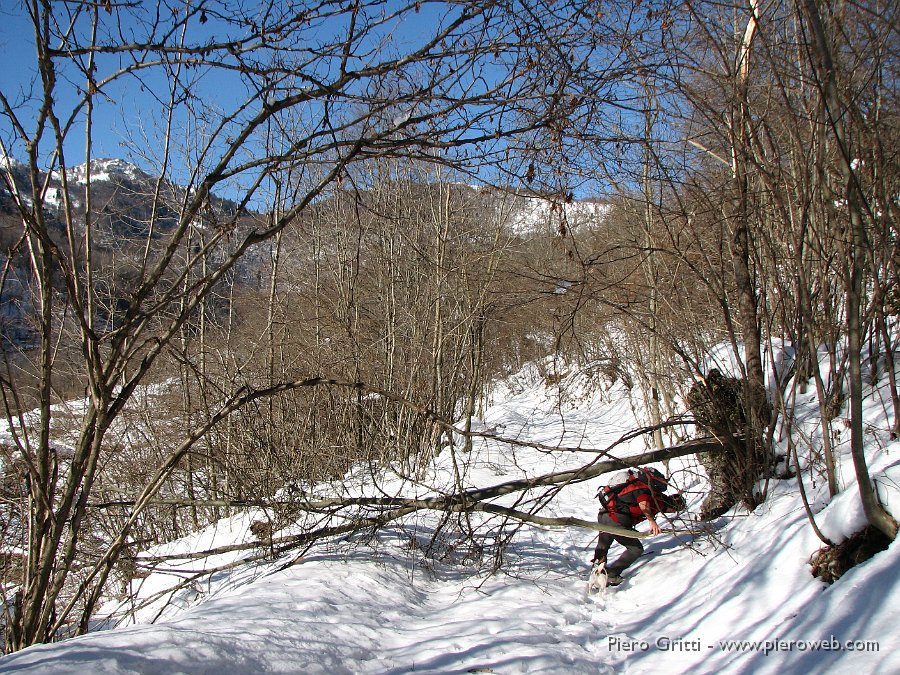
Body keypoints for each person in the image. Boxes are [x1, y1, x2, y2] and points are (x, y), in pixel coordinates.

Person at [591, 468, 685, 585]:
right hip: (616, 520)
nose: (672, 511)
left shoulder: (637, 485)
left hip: (604, 514)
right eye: (674, 509)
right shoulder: (651, 495)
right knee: (636, 549)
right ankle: (611, 574)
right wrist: (652, 522)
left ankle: (596, 571)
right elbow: (643, 504)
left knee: (603, 544)